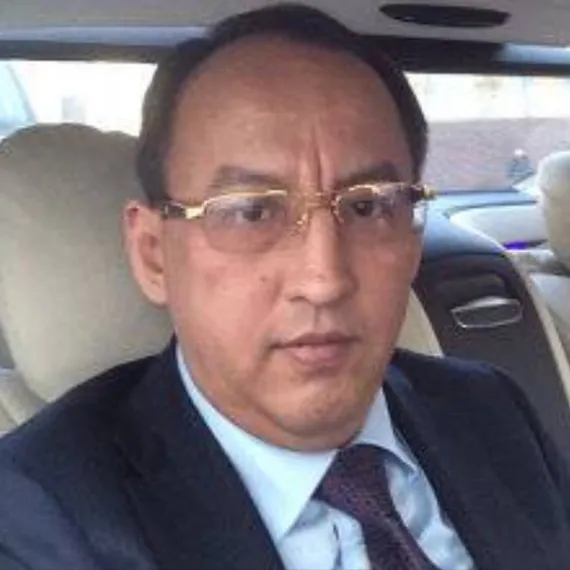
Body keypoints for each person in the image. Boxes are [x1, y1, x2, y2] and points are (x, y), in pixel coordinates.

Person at [0, 5, 569, 570]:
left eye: (368, 206)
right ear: (153, 254)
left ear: (413, 236)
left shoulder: (487, 406)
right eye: (250, 212)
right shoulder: (39, 515)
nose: (324, 280)